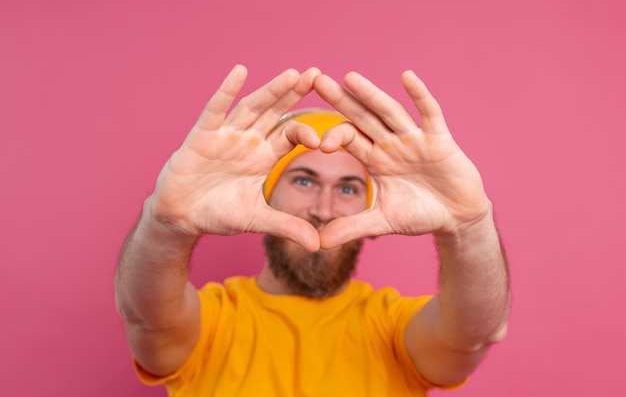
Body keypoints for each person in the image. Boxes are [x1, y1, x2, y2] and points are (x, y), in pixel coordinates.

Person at [115, 65, 510, 396]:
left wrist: (469, 224)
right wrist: (165, 224)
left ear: (373, 209)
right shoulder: (213, 322)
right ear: (266, 195)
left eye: (348, 188)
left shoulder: (394, 327)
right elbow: (145, 317)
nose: (323, 209)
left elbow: (473, 333)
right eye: (304, 181)